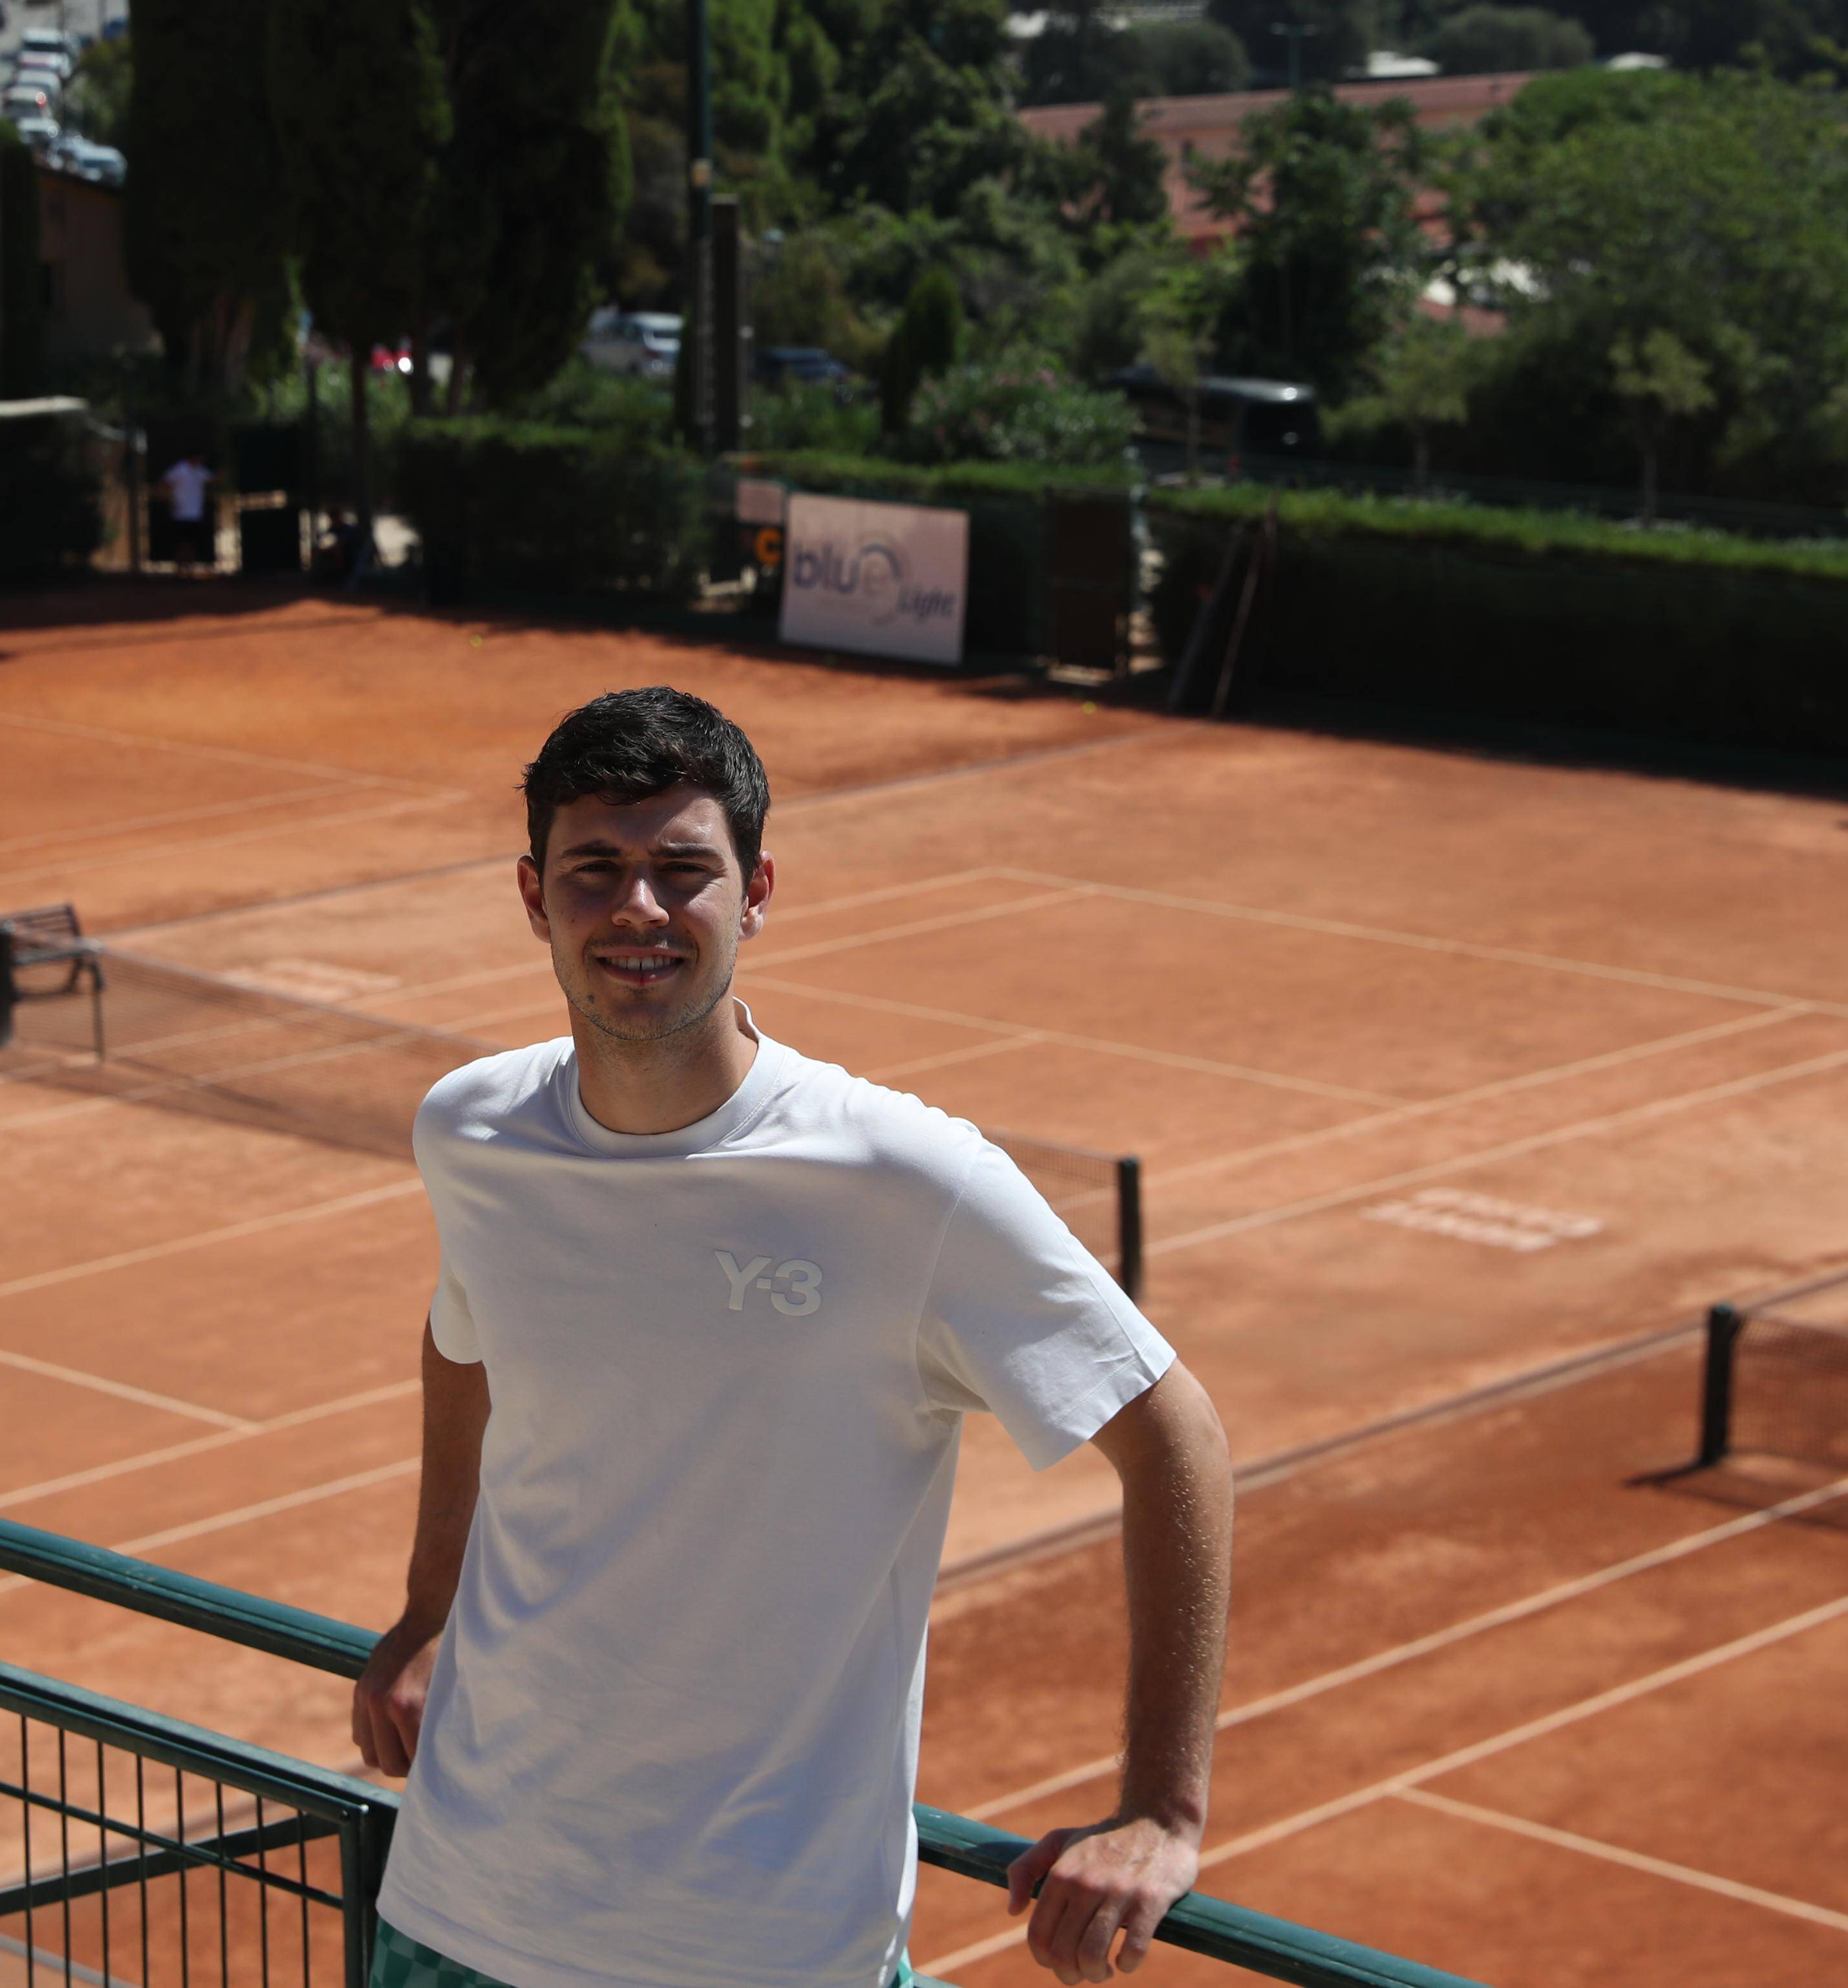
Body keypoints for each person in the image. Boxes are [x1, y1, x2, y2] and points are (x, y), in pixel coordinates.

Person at [354, 688, 1233, 1988]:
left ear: (756, 891)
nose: (639, 908)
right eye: (595, 869)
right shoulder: (471, 1132)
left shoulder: (908, 1181)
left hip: (759, 1951)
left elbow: (1176, 1438)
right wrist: (429, 1607)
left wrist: (1162, 1807)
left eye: (683, 869)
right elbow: (463, 1339)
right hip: (457, 1913)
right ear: (535, 895)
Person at [161, 451, 215, 568]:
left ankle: (189, 567)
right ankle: (180, 568)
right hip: (180, 513)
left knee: (192, 542)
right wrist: (170, 501)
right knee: (181, 542)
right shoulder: (179, 469)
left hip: (195, 514)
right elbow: (164, 483)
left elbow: (213, 479)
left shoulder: (200, 471)